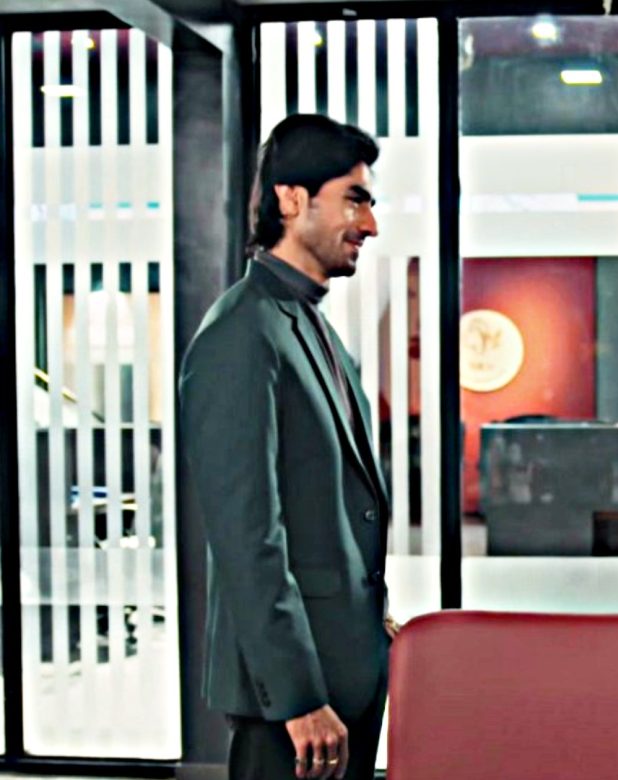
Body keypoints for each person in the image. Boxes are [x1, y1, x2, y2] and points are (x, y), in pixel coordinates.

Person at [180, 114, 398, 780]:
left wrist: (368, 614)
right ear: (292, 199)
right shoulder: (241, 334)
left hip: (345, 671)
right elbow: (248, 538)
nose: (369, 225)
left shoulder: (307, 325)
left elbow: (324, 504)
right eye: (354, 200)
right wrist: (297, 697)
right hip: (298, 701)